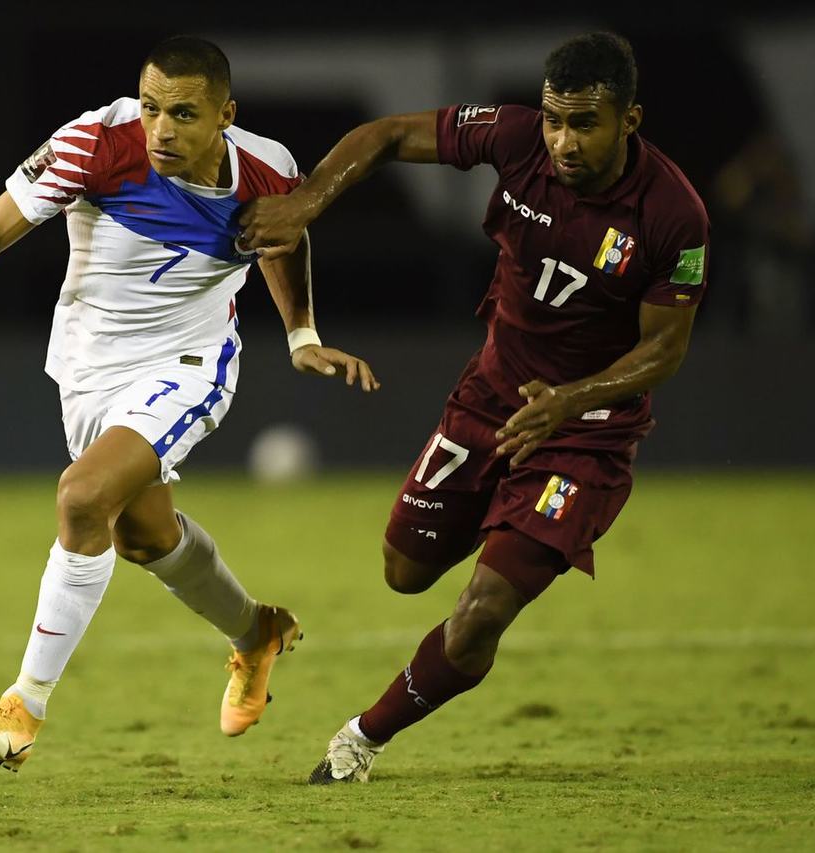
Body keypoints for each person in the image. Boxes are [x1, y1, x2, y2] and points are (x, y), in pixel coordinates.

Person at [0, 36, 378, 774]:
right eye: (150, 107)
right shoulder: (96, 142)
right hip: (86, 369)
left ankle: (24, 704)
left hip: (190, 364)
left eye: (183, 113)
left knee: (82, 498)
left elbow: (283, 235)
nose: (161, 128)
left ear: (225, 115)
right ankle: (257, 630)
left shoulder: (269, 169)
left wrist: (301, 332)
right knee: (140, 533)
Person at [238, 32, 708, 783]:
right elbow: (386, 134)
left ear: (630, 120)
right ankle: (502, 527)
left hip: (584, 436)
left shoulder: (674, 216)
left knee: (480, 611)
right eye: (555, 119)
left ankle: (360, 738)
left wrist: (570, 402)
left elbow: (664, 351)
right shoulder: (515, 135)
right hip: (489, 398)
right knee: (402, 569)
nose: (563, 140)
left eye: (584, 123)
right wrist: (305, 202)